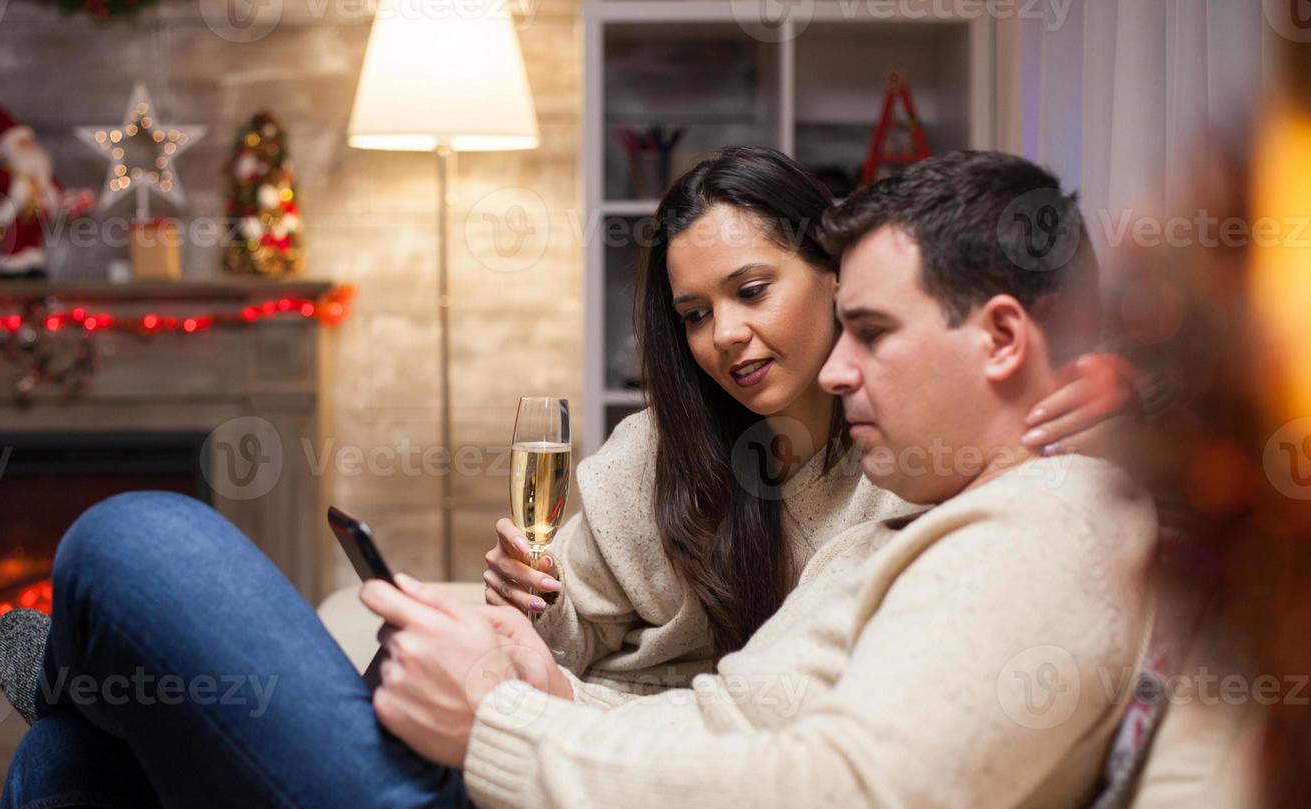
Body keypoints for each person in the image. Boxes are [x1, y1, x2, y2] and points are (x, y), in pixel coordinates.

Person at [0, 150, 1153, 809]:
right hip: (559, 798)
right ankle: (88, 686)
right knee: (67, 781)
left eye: (861, 329)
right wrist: (534, 658)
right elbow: (708, 701)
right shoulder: (902, 486)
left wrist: (515, 722)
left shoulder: (1025, 513)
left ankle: (80, 665)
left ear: (1002, 340)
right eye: (696, 313)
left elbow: (828, 807)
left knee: (135, 542)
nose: (827, 364)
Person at [484, 146, 1134, 705]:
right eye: (694, 315)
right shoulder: (658, 452)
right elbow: (567, 637)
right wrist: (533, 602)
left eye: (751, 290)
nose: (726, 335)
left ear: (835, 278)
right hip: (612, 724)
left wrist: (1128, 408)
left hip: (648, 744)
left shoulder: (915, 461)